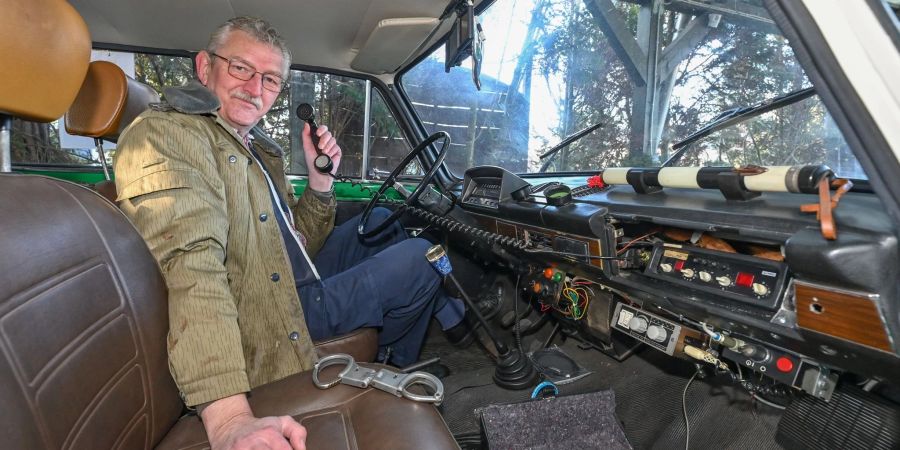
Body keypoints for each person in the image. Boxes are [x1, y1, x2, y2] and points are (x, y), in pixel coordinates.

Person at [113, 16, 468, 449]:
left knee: (377, 223)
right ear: (205, 68)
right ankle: (400, 362)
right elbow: (192, 267)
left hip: (283, 277)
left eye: (270, 79)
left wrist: (321, 181)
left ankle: (431, 332)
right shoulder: (170, 134)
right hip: (267, 314)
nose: (255, 88)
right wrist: (228, 419)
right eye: (240, 68)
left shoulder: (255, 146)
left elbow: (297, 241)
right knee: (420, 257)